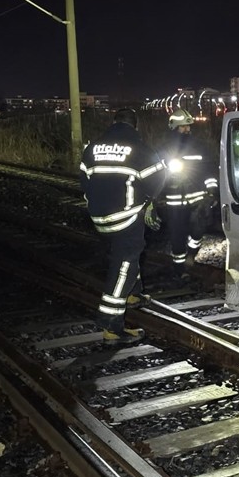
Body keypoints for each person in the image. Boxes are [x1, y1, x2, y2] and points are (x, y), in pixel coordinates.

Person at [79, 108, 167, 342]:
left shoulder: (92, 148)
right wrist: (149, 201)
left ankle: (133, 294)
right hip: (126, 216)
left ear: (113, 122)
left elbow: (84, 180)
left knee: (130, 251)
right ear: (135, 126)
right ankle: (111, 325)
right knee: (124, 265)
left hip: (98, 216)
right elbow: (159, 179)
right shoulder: (140, 149)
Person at [162, 109, 217, 274]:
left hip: (198, 199)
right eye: (182, 127)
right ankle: (179, 269)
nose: (186, 129)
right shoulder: (165, 148)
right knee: (177, 236)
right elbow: (158, 175)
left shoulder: (199, 146)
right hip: (175, 202)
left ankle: (191, 255)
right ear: (174, 128)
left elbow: (208, 171)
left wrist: (212, 190)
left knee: (198, 231)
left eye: (188, 126)